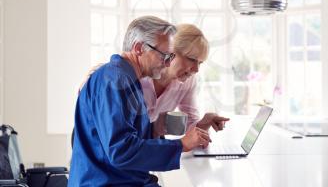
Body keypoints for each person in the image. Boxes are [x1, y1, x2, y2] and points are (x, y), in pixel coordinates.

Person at [68, 16, 211, 187]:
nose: (167, 64)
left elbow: (126, 136)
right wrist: (180, 145)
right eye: (164, 56)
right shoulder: (114, 81)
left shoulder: (128, 80)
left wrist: (154, 128)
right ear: (138, 48)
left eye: (171, 57)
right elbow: (120, 151)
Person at [141, 24, 229, 138]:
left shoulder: (188, 82)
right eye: (192, 59)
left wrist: (206, 121)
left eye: (200, 63)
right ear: (170, 52)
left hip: (151, 146)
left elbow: (189, 125)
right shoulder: (140, 77)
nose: (196, 69)